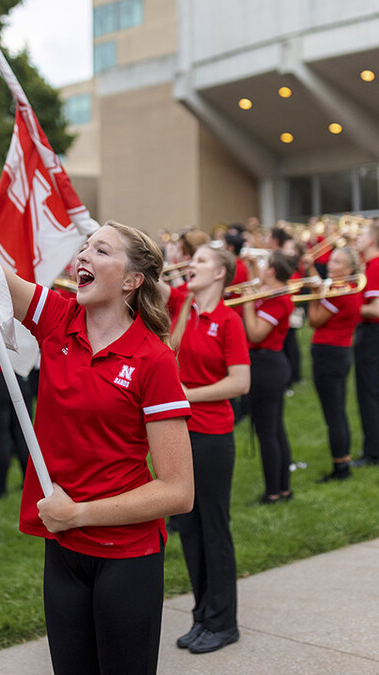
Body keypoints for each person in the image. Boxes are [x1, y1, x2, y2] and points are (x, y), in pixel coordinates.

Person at [2, 222, 194, 675]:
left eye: (100, 250)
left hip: (126, 555)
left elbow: (178, 491)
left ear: (131, 280)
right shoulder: (59, 318)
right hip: (64, 547)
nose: (82, 255)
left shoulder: (154, 359)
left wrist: (81, 513)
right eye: (84, 247)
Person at [165, 244, 250, 654]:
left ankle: (224, 622)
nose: (190, 266)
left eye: (199, 261)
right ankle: (203, 615)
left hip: (213, 436)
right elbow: (149, 280)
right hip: (181, 434)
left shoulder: (228, 320)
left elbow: (240, 382)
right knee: (189, 528)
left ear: (220, 274)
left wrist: (189, 395)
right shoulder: (182, 304)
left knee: (214, 529)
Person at [239, 252, 297, 503]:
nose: (261, 269)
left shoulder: (278, 299)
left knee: (268, 433)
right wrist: (252, 268)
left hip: (267, 364)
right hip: (266, 363)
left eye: (264, 265)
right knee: (275, 430)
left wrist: (248, 302)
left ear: (272, 271)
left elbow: (255, 333)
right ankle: (282, 488)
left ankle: (273, 492)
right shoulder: (270, 291)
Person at [308, 248, 364, 483]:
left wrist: (313, 294)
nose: (331, 265)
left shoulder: (339, 291)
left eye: (338, 262)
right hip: (340, 351)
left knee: (334, 413)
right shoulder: (350, 287)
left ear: (349, 269)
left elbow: (314, 320)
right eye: (331, 260)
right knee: (337, 409)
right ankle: (343, 460)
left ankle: (341, 466)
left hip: (328, 351)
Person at [353, 223, 379, 467]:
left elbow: (378, 309)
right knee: (374, 391)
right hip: (375, 331)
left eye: (361, 235)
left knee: (367, 392)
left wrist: (349, 310)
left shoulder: (376, 266)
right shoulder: (374, 264)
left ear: (371, 241)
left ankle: (373, 452)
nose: (357, 238)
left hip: (372, 331)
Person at [0, 350, 30, 500]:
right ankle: (29, 483)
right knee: (22, 436)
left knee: (1, 438)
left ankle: (0, 489)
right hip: (20, 376)